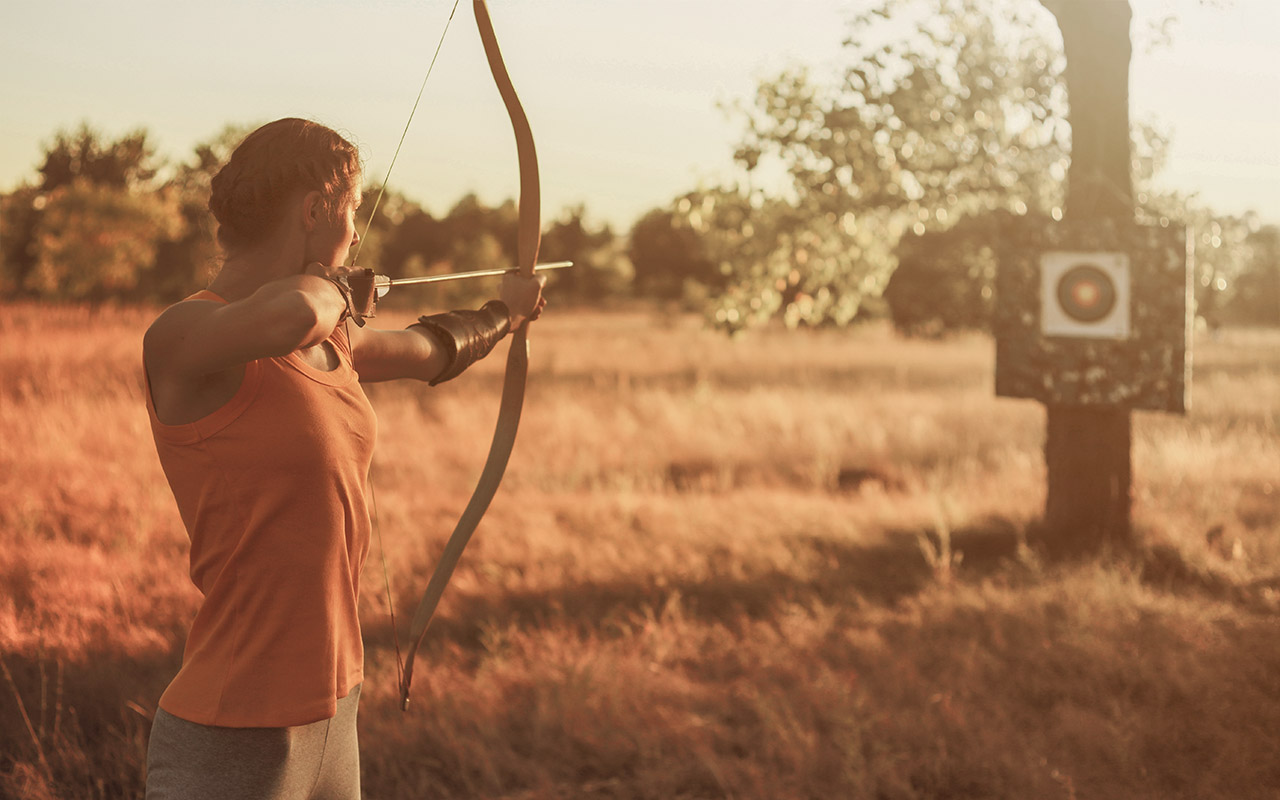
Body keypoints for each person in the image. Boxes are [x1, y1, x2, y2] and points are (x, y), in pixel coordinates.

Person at [141, 117, 545, 799]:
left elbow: (429, 351)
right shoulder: (183, 335)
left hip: (334, 712)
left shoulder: (331, 342)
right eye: (352, 209)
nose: (356, 234)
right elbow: (293, 313)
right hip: (233, 731)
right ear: (315, 210)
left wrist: (504, 314)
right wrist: (336, 291)